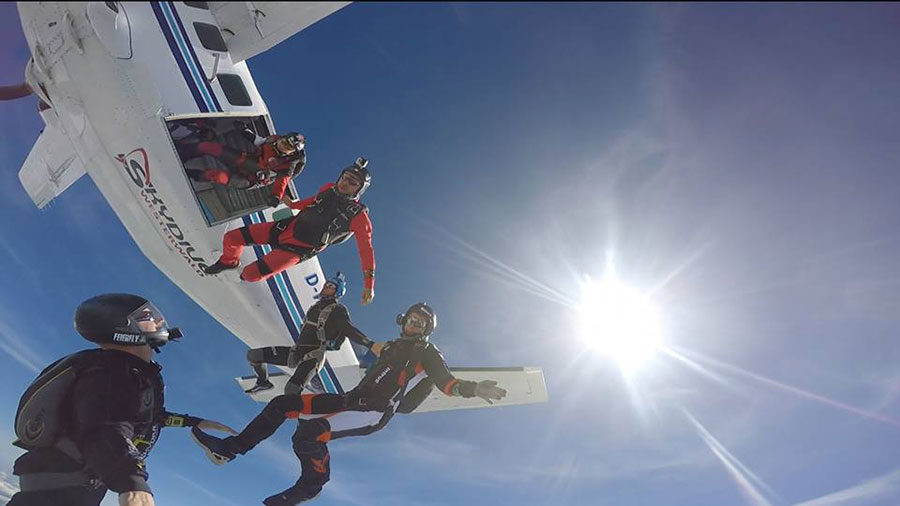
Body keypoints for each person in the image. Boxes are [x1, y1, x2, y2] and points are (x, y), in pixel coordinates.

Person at [192, 303, 507, 505]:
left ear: (428, 330)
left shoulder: (427, 352)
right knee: (281, 403)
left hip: (373, 412)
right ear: (404, 321)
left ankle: (311, 485)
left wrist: (475, 387)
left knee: (308, 434)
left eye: (422, 323)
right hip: (348, 399)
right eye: (412, 319)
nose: (415, 324)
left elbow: (446, 383)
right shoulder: (391, 348)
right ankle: (228, 449)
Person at [8, 294, 236, 506]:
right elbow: (105, 427)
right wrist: (132, 481)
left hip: (67, 488)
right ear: (122, 327)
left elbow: (149, 417)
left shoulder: (126, 371)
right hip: (58, 492)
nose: (158, 320)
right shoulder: (111, 371)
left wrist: (194, 422)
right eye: (146, 316)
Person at [204, 158, 376, 306]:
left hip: (297, 250)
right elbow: (313, 202)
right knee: (232, 238)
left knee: (250, 274)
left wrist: (368, 284)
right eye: (344, 178)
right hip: (285, 228)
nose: (345, 183)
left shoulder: (359, 216)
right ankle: (228, 262)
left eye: (352, 183)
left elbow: (366, 250)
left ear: (359, 190)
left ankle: (238, 275)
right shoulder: (329, 189)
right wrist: (293, 205)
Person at [244, 271, 386, 394]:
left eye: (331, 286)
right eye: (326, 285)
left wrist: (370, 344)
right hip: (296, 351)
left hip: (314, 356)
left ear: (338, 291)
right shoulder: (314, 307)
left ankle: (303, 421)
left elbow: (347, 329)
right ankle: (263, 382)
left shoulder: (338, 309)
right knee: (253, 355)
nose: (326, 287)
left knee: (291, 389)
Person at [181, 130, 306, 206]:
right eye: (284, 143)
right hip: (247, 161)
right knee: (209, 147)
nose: (283, 147)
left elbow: (282, 181)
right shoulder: (274, 140)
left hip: (250, 179)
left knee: (217, 176)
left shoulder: (289, 164)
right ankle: (183, 153)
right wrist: (243, 129)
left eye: (288, 148)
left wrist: (276, 196)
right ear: (282, 138)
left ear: (292, 152)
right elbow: (258, 141)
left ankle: (187, 174)